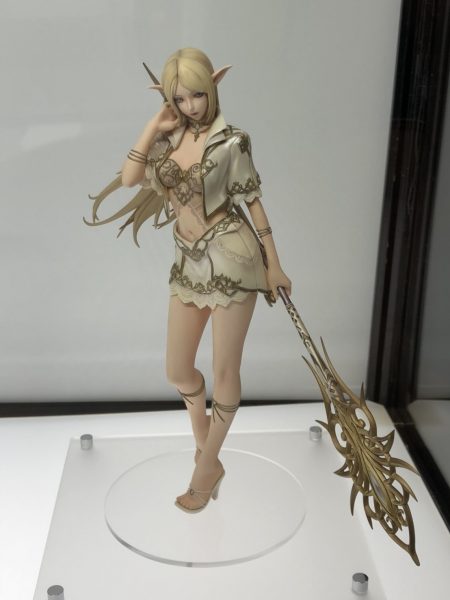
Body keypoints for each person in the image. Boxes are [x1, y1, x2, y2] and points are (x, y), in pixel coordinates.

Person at [84, 48, 291, 513]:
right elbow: (131, 178)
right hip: (188, 263)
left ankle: (206, 467)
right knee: (177, 370)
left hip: (233, 258)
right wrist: (152, 126)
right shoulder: (166, 139)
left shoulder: (232, 142)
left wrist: (274, 266)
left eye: (198, 94)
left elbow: (254, 204)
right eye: (180, 97)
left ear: (214, 86)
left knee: (224, 372)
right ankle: (205, 446)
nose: (191, 105)